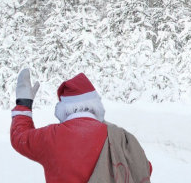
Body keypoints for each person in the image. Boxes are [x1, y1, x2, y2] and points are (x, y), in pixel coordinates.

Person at [10, 70, 152, 183]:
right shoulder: (118, 136)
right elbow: (143, 168)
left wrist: (24, 103)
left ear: (63, 109)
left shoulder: (50, 136)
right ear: (95, 105)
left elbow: (19, 138)